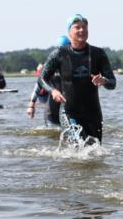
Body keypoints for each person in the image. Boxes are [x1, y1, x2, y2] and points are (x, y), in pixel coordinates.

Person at [40, 14, 116, 144]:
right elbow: (43, 79)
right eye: (77, 27)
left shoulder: (98, 54)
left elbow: (112, 83)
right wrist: (53, 91)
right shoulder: (59, 54)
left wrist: (103, 81)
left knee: (94, 152)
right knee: (79, 147)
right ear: (69, 32)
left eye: (84, 27)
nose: (82, 30)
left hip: (93, 113)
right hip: (69, 112)